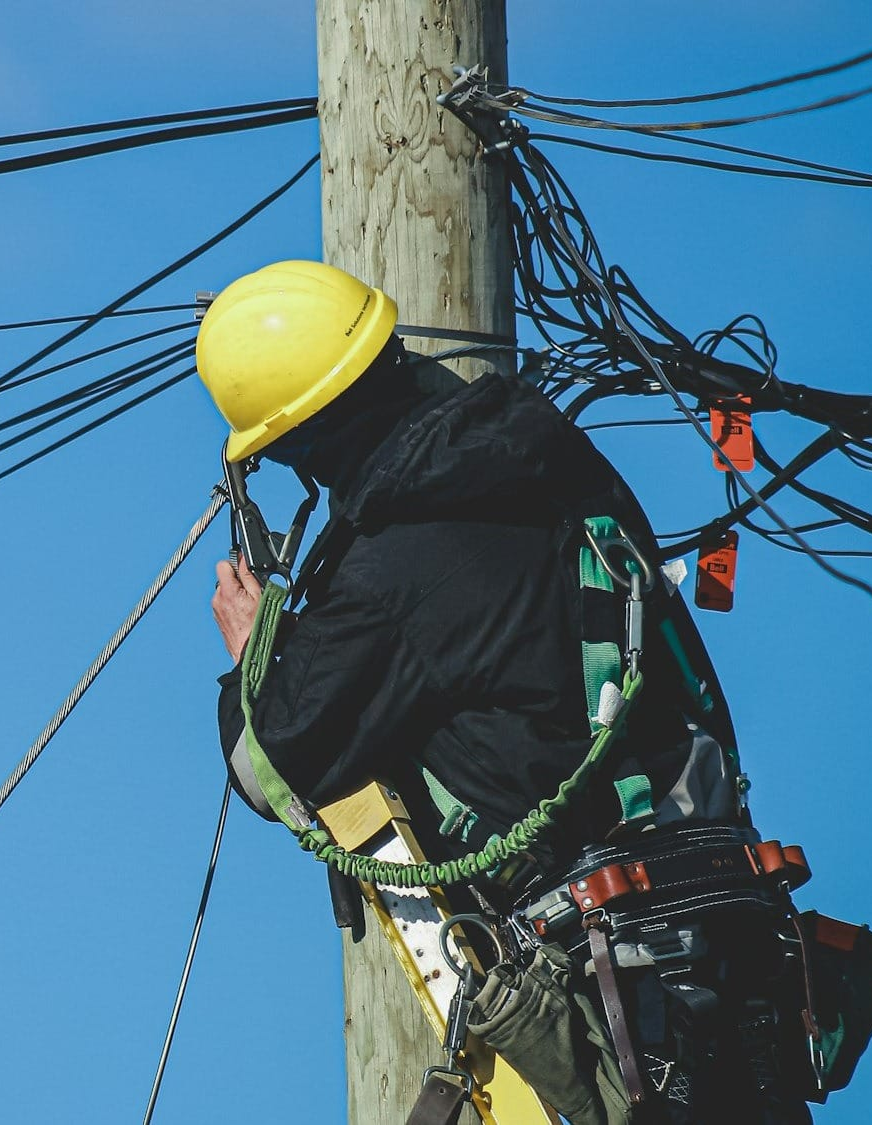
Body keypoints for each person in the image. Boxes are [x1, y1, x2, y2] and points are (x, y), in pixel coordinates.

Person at [195, 260, 815, 1124]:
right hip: (726, 934)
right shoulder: (550, 459)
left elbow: (272, 765)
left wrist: (252, 650)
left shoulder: (393, 567)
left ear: (300, 441)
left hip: (610, 983)